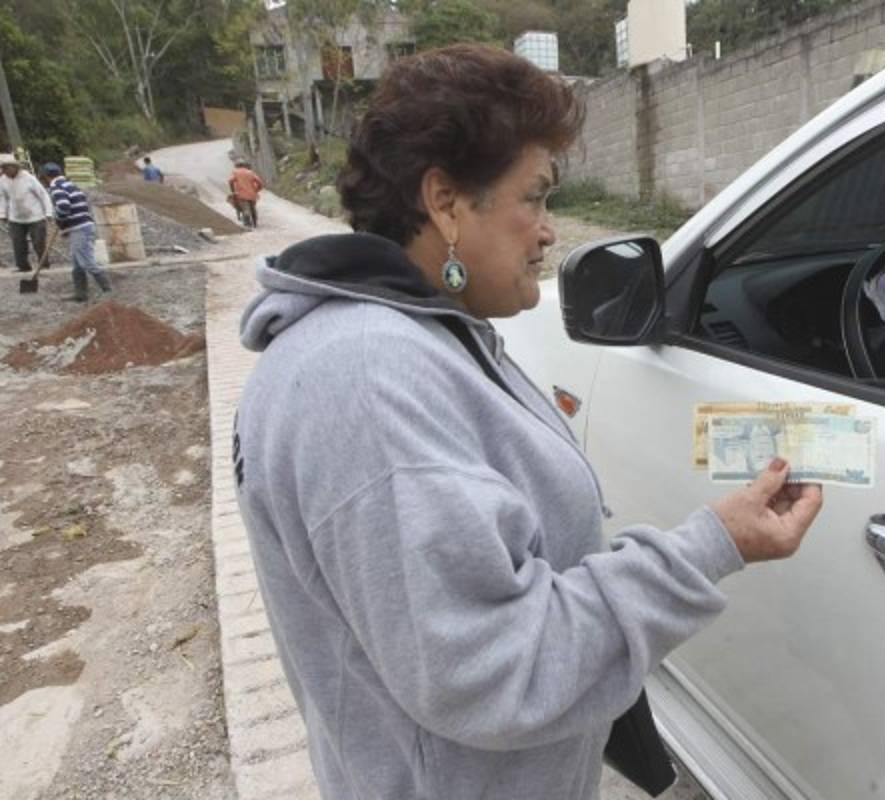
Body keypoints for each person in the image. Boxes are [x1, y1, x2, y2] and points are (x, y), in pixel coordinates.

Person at [234, 45, 824, 800]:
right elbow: (494, 670)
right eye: (535, 198)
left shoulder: (422, 336)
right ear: (446, 201)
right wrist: (711, 546)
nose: (549, 232)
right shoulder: (367, 381)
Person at [40, 163, 112, 301]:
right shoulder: (70, 185)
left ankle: (107, 290)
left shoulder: (56, 187)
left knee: (86, 261)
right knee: (77, 263)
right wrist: (65, 227)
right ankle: (80, 294)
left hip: (80, 228)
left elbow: (63, 207)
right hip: (82, 226)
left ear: (45, 177)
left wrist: (60, 221)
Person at [0, 153, 54, 273]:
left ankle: (44, 265)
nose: (4, 171)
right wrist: (3, 214)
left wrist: (48, 212)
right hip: (16, 217)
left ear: (14, 167)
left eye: (6, 168)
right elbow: (3, 198)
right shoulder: (3, 180)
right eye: (3, 168)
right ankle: (23, 266)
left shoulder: (28, 178)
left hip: (35, 215)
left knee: (39, 242)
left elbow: (43, 195)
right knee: (18, 243)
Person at [228, 158, 264, 229]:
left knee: (245, 209)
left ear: (236, 165)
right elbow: (260, 183)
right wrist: (256, 190)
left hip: (241, 195)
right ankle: (255, 222)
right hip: (252, 195)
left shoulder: (235, 172)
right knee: (253, 207)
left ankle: (247, 224)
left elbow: (230, 181)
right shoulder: (250, 172)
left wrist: (233, 190)